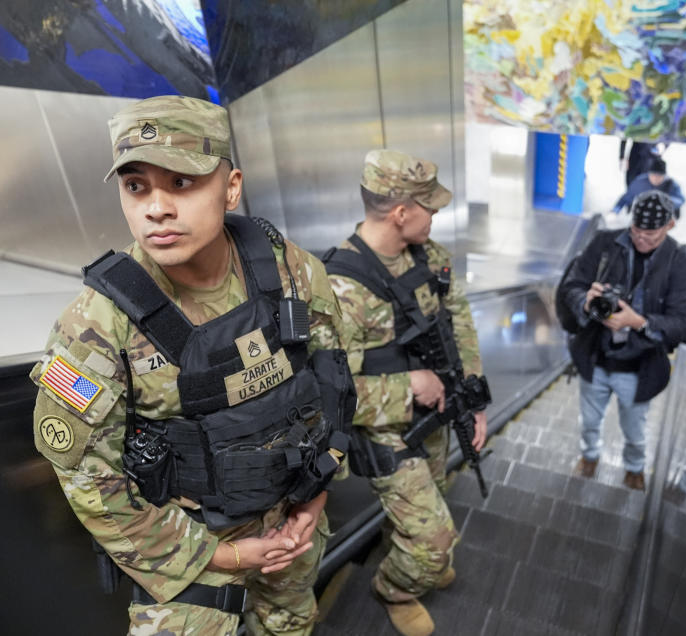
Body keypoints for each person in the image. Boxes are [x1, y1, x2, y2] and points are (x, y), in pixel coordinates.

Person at [29, 95, 355, 635]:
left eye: (181, 181)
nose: (156, 208)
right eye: (136, 186)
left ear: (231, 188)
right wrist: (221, 558)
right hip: (189, 545)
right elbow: (90, 481)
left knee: (292, 623)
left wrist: (317, 493)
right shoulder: (96, 325)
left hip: (294, 514)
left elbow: (333, 376)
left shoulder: (285, 266)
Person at [324, 149, 488, 636]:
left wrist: (474, 402)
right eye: (430, 208)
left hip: (436, 415)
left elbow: (459, 324)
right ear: (401, 213)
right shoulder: (338, 286)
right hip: (383, 432)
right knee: (434, 537)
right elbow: (326, 391)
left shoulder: (430, 257)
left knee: (432, 501)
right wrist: (408, 386)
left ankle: (420, 560)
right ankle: (395, 588)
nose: (435, 216)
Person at [559, 190, 686, 490]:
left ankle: (634, 468)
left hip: (639, 367)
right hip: (594, 358)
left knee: (635, 429)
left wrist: (639, 321)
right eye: (635, 231)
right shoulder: (604, 244)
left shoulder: (682, 263)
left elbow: (682, 324)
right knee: (590, 420)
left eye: (650, 234)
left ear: (670, 226)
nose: (640, 239)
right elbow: (571, 286)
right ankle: (589, 456)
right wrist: (586, 301)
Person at [612, 156, 686, 217]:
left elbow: (681, 200)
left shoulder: (671, 184)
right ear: (648, 174)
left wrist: (665, 201)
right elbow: (626, 198)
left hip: (665, 213)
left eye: (659, 176)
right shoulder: (640, 182)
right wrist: (615, 211)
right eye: (653, 175)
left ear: (664, 176)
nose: (656, 178)